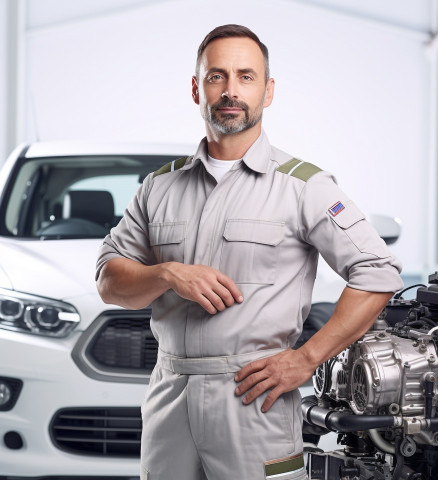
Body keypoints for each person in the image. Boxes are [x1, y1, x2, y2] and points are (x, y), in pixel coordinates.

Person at [96, 24, 403, 480]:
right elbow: (109, 280)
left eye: (246, 76)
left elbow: (378, 272)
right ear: (197, 89)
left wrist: (305, 359)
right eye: (217, 77)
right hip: (168, 396)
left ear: (268, 90)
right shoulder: (159, 187)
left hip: (253, 398)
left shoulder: (304, 187)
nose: (231, 90)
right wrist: (166, 274)